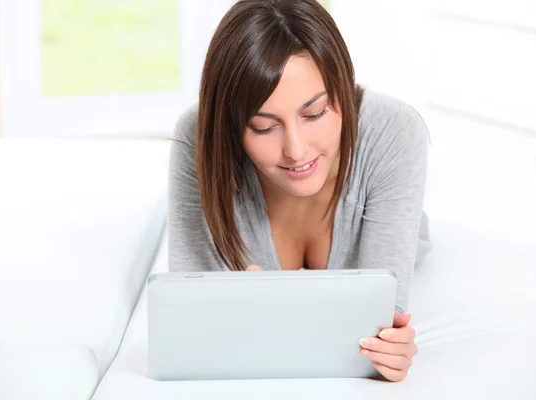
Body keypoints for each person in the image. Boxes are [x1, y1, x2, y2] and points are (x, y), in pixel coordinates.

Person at [167, 0, 431, 382]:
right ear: (229, 126)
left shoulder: (394, 131)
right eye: (262, 126)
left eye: (315, 113)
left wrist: (388, 350)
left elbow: (379, 328)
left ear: (343, 88)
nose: (297, 150)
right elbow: (187, 322)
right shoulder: (199, 136)